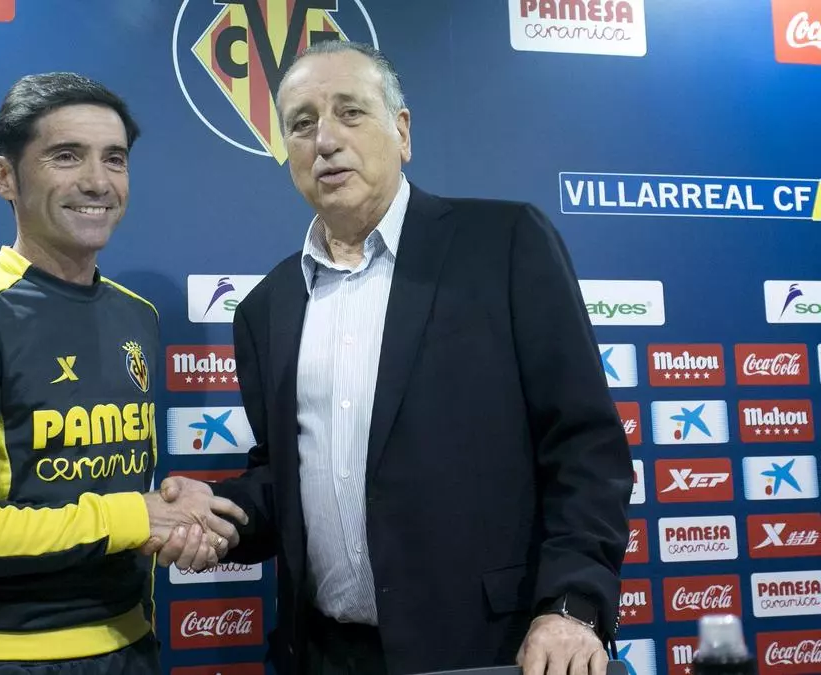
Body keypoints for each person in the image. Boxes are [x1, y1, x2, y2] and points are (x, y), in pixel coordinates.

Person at [155, 41, 633, 675]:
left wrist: (571, 607)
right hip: (323, 656)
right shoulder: (267, 307)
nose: (326, 140)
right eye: (302, 124)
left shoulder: (505, 245)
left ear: (401, 132)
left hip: (488, 650)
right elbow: (284, 481)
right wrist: (219, 513)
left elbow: (585, 448)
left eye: (350, 112)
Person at [0, 72, 247, 675]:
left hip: (130, 645)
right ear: (4, 176)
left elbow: (124, 497)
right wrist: (137, 517)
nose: (97, 182)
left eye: (115, 159)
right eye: (66, 156)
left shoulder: (137, 316)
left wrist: (176, 511)